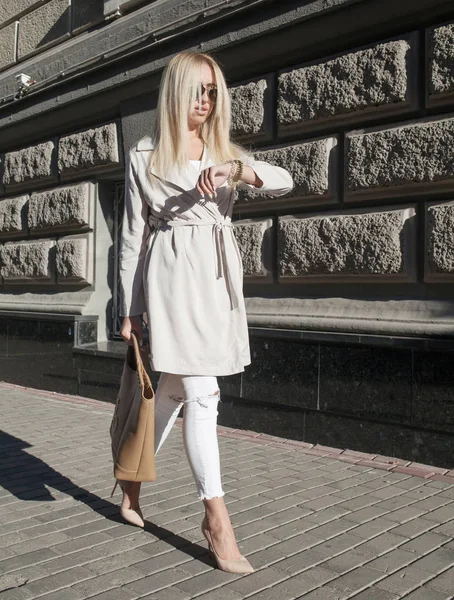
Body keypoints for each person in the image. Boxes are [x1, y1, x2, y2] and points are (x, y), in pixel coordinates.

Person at [117, 50, 293, 574]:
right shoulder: (143, 156)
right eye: (198, 90)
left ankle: (129, 480)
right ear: (176, 92)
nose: (206, 101)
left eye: (214, 91)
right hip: (171, 282)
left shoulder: (223, 150)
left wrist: (237, 168)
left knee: (173, 388)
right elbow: (131, 239)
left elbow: (284, 180)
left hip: (216, 283)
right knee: (202, 391)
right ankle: (217, 519)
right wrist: (130, 309)